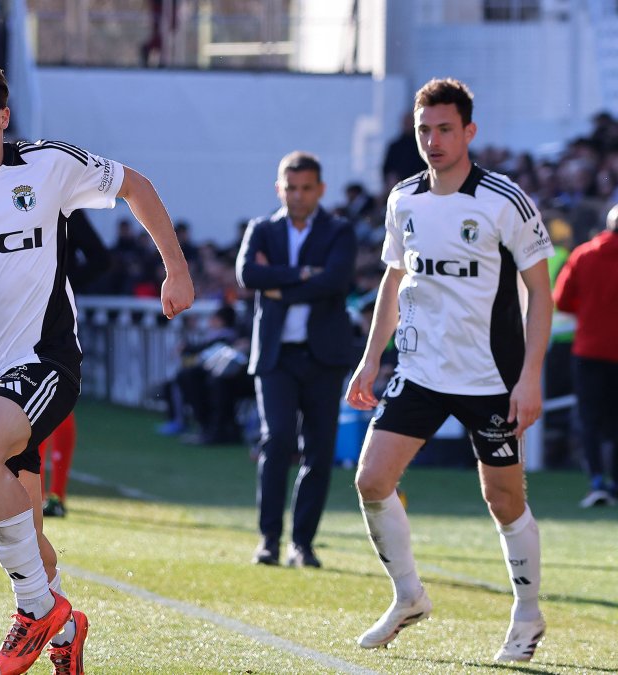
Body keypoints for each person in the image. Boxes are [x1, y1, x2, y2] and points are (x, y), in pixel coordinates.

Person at [0, 57, 193, 675]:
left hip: (45, 360)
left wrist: (174, 269)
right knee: (29, 536)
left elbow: (136, 185)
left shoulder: (48, 165)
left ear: (3, 117)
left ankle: (32, 612)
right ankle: (63, 627)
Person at [346, 79, 553, 662]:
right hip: (420, 371)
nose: (433, 141)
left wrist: (530, 376)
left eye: (444, 129)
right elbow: (394, 279)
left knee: (503, 499)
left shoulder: (504, 200)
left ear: (469, 131)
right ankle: (408, 596)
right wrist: (371, 360)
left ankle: (528, 615)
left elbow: (541, 293)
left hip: (491, 378)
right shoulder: (403, 199)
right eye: (424, 130)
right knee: (371, 480)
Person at [235, 151, 357, 568]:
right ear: (279, 188)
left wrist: (279, 284)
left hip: (325, 357)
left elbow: (335, 281)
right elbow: (248, 275)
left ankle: (302, 543)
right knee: (278, 440)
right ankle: (269, 538)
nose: (298, 195)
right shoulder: (262, 228)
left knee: (319, 451)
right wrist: (305, 273)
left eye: (306, 188)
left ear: (320, 189)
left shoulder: (339, 230)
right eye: (291, 188)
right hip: (276, 356)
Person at [39, 209, 111, 518]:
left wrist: (62, 284)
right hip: (12, 313)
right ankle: (41, 493)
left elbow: (101, 259)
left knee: (53, 396)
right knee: (26, 398)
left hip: (53, 317)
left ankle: (53, 494)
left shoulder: (63, 206)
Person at [552, 204, 618, 506]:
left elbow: (563, 300)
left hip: (589, 349)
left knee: (590, 419)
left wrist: (591, 312)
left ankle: (596, 481)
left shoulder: (583, 254)